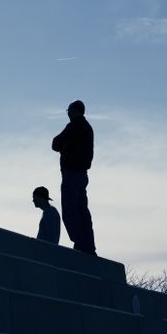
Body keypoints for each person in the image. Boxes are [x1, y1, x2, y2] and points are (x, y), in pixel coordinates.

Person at [52, 100, 97, 255]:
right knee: (82, 210)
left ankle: (80, 243)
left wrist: (65, 148)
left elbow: (55, 144)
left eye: (69, 110)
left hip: (71, 173)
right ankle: (88, 244)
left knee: (71, 209)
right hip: (82, 175)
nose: (68, 114)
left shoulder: (75, 126)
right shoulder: (88, 128)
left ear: (75, 111)